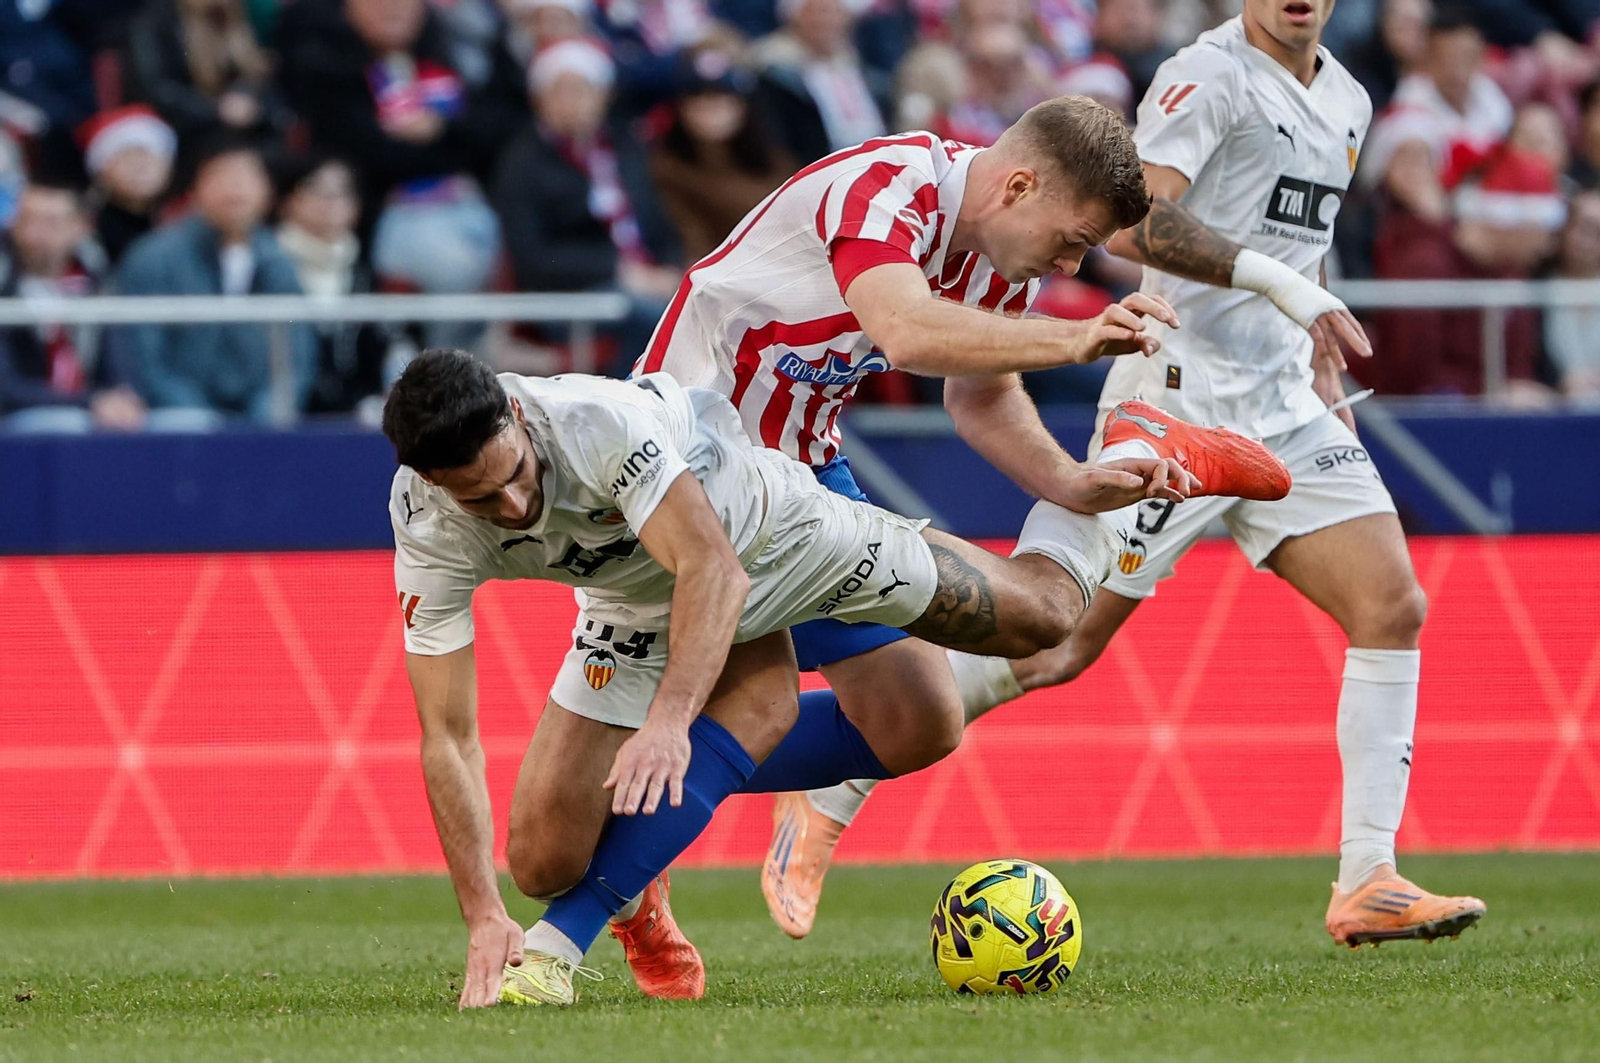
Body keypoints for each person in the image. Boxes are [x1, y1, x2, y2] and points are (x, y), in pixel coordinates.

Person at [797, 0, 1488, 949]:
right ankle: (833, 790)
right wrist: (1275, 282)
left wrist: (1313, 334)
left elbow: (1300, 230)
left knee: (1393, 605)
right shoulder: (1208, 75)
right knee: (1055, 648)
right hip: (1180, 394)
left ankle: (1368, 874)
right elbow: (1131, 225)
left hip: (1286, 401)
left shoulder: (1352, 100)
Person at [384, 349, 1281, 1008]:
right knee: (541, 857)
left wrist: (666, 723)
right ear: (427, 481)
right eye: (478, 497)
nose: (509, 508)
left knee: (1029, 634)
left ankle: (1131, 445)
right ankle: (617, 880)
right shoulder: (427, 520)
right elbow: (447, 733)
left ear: (515, 410)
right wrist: (481, 913)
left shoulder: (594, 423)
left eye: (510, 476)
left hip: (783, 538)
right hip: (637, 601)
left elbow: (716, 572)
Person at [627, 94, 1287, 934]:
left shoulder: (992, 251)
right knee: (599, 796)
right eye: (1073, 242)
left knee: (920, 720)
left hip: (806, 478)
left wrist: (1073, 483)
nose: (1072, 270)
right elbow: (905, 331)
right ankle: (608, 891)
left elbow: (980, 399)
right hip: (687, 474)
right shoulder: (882, 191)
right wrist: (1074, 340)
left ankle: (631, 855)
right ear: (1018, 187)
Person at [491, 38, 681, 374]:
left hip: (643, 283)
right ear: (540, 99)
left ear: (603, 96)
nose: (574, 102)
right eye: (562, 91)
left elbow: (658, 222)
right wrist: (618, 271)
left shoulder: (625, 148)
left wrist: (673, 268)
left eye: (584, 90)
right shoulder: (523, 163)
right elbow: (532, 257)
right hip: (574, 295)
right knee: (659, 321)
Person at [114, 138, 314, 425]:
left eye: (246, 177)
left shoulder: (279, 260)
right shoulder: (153, 256)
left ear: (268, 191)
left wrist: (267, 411)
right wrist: (202, 419)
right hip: (178, 416)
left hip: (258, 415)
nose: (234, 188)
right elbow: (143, 358)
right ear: (195, 189)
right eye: (221, 175)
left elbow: (295, 358)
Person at [0, 182, 144, 431]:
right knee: (62, 423)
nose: (37, 234)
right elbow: (6, 386)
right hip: (21, 421)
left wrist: (122, 398)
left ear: (80, 227)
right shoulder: (5, 286)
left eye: (51, 222)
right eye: (27, 220)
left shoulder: (100, 286)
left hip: (97, 413)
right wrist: (89, 402)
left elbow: (123, 364)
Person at [649, 44, 796, 265]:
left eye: (721, 96)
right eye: (698, 97)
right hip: (724, 277)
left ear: (742, 105)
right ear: (681, 107)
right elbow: (692, 242)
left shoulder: (775, 160)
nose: (710, 107)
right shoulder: (668, 167)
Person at [78, 105, 177, 266]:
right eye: (126, 157)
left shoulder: (186, 221)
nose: (139, 167)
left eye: (147, 155)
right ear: (100, 173)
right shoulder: (87, 228)